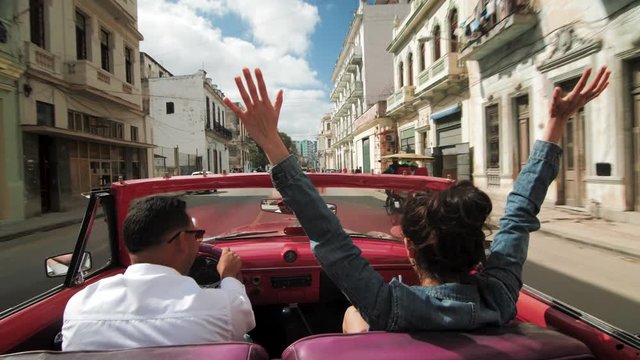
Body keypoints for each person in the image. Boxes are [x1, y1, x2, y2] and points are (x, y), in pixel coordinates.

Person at [223, 66, 609, 333]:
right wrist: (556, 125)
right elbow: (520, 214)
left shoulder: (388, 307)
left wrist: (271, 142)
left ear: (409, 248)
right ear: (479, 253)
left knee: (354, 318)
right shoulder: (501, 299)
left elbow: (327, 236)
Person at [62, 196, 255, 350]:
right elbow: (243, 314)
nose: (198, 242)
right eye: (196, 235)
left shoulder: (78, 305)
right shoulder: (221, 309)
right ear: (180, 241)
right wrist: (228, 276)